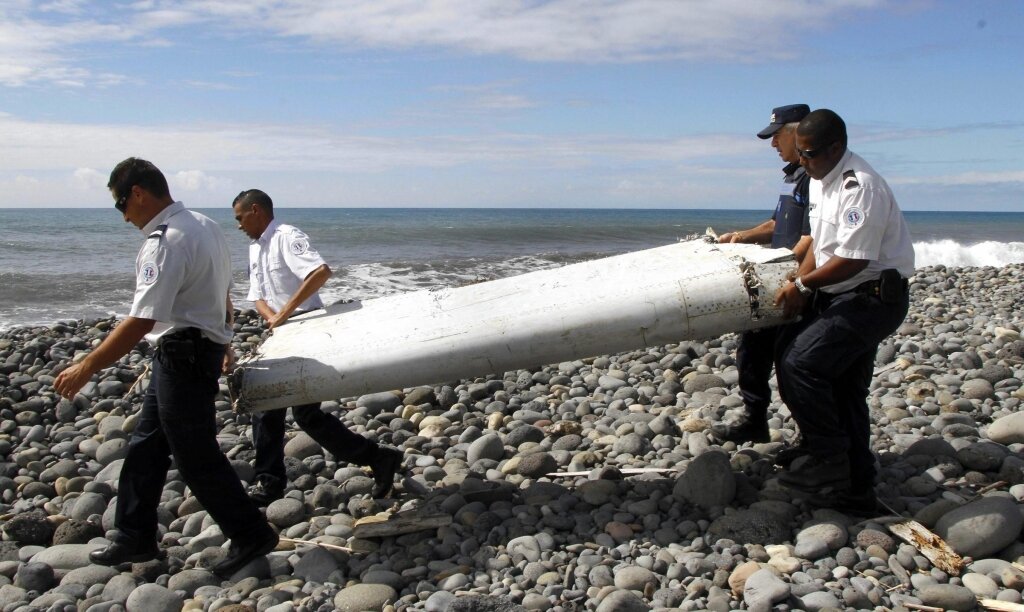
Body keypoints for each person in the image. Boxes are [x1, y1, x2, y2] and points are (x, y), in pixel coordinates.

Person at [54, 158, 278, 576]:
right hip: (190, 349)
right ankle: (134, 534)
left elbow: (141, 320)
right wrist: (223, 337)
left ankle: (250, 532)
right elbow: (220, 288)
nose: (124, 217)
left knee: (194, 454)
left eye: (122, 204)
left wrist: (88, 365)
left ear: (138, 192)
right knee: (147, 444)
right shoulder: (204, 226)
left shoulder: (167, 239)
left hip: (184, 354)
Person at [773, 109, 915, 512]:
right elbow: (820, 242)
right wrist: (800, 284)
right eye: (799, 153)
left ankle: (829, 459)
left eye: (810, 154)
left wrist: (801, 285)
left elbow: (853, 259)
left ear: (837, 148)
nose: (801, 162)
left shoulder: (860, 188)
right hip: (841, 294)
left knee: (802, 364)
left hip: (872, 298)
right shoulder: (821, 178)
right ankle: (856, 487)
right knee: (840, 385)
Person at [232, 189, 403, 504]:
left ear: (255, 210)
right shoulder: (255, 248)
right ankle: (375, 458)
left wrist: (284, 314)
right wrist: (273, 319)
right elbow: (257, 294)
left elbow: (319, 272)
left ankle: (270, 482)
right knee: (279, 409)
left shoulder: (286, 236)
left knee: (294, 410)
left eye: (240, 218)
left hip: (306, 327)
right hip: (280, 332)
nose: (238, 225)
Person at [712, 103, 813, 444]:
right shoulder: (791, 177)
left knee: (792, 363)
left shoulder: (816, 179)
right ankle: (755, 418)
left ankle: (809, 436)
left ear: (798, 133)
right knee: (751, 349)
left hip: (798, 282)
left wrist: (795, 280)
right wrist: (739, 237)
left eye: (777, 137)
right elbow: (775, 225)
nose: (773, 145)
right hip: (777, 278)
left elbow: (814, 238)